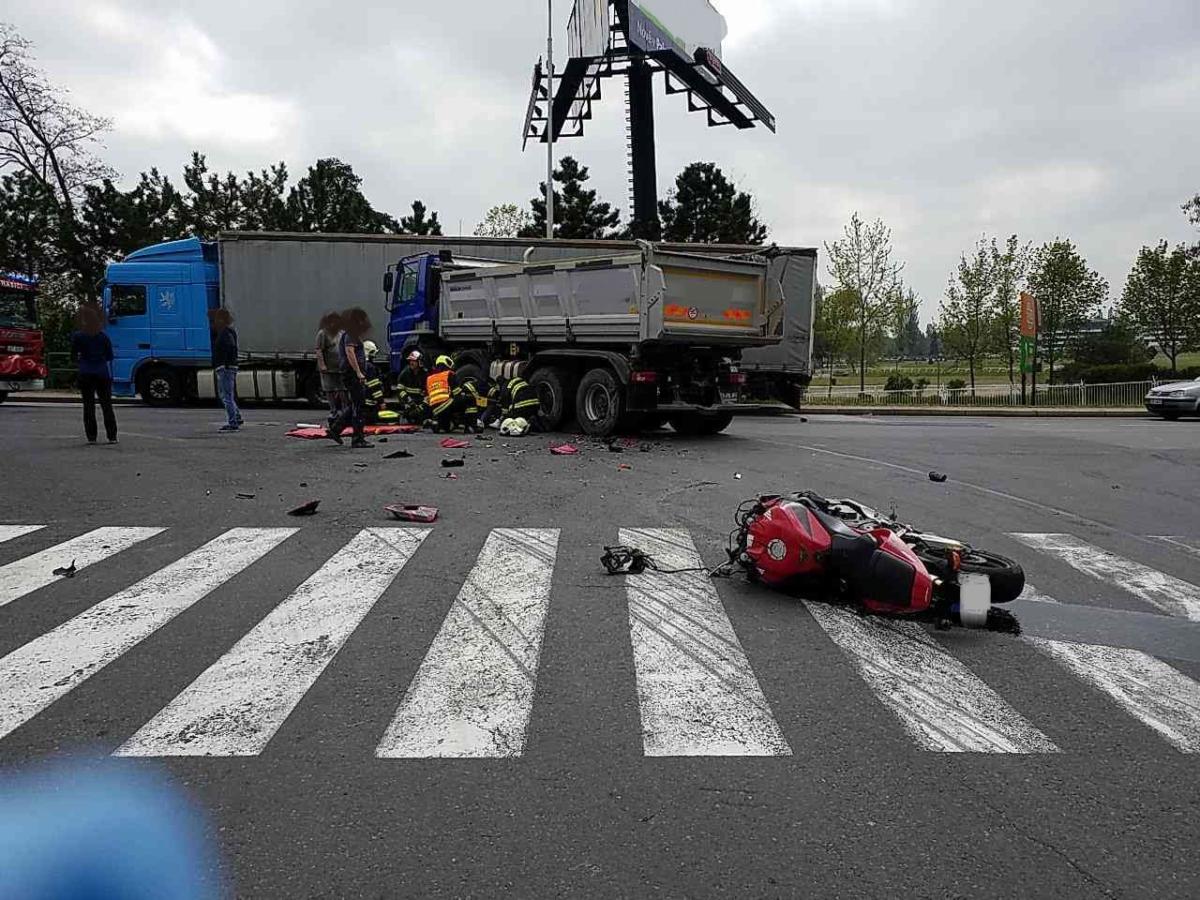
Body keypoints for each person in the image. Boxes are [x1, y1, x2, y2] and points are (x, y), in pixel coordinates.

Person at [70, 305, 118, 445]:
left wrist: (80, 361)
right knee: (106, 405)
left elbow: (73, 355)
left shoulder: (79, 336)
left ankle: (92, 436)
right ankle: (112, 436)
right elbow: (110, 356)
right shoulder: (103, 337)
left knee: (88, 405)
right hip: (102, 372)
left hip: (86, 372)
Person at [327, 307, 373, 448]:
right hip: (352, 374)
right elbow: (350, 352)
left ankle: (336, 429)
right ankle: (357, 439)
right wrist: (358, 372)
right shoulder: (352, 334)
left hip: (351, 373)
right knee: (359, 406)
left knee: (355, 403)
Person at [209, 308, 242, 432]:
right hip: (230, 366)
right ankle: (237, 417)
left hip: (226, 367)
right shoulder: (230, 332)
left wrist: (222, 364)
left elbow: (226, 348)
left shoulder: (224, 333)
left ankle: (233, 422)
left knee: (226, 396)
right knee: (228, 395)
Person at [315, 311, 345, 425]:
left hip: (340, 367)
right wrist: (322, 365)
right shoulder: (323, 334)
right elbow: (319, 350)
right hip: (328, 368)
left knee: (343, 389)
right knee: (330, 389)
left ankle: (344, 410)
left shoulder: (341, 333)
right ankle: (333, 411)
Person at [396, 351, 428, 424]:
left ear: (419, 362)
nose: (411, 363)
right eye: (410, 360)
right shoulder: (404, 373)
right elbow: (400, 390)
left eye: (414, 361)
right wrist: (408, 401)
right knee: (409, 415)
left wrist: (422, 406)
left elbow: (428, 393)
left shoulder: (425, 374)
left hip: (421, 402)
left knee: (423, 414)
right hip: (409, 401)